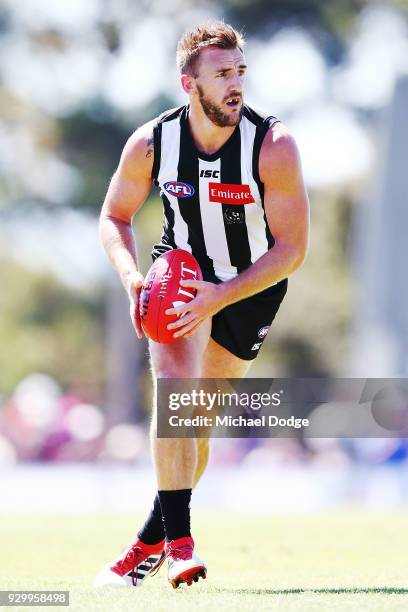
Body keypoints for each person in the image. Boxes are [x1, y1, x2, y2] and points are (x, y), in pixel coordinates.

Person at [94, 21, 309, 589]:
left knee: (198, 426)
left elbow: (292, 248)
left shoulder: (273, 144)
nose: (235, 84)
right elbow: (114, 216)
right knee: (174, 399)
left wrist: (223, 293)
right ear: (189, 82)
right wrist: (132, 276)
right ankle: (182, 545)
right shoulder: (150, 143)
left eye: (240, 72)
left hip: (251, 285)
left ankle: (149, 540)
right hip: (179, 274)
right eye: (222, 74)